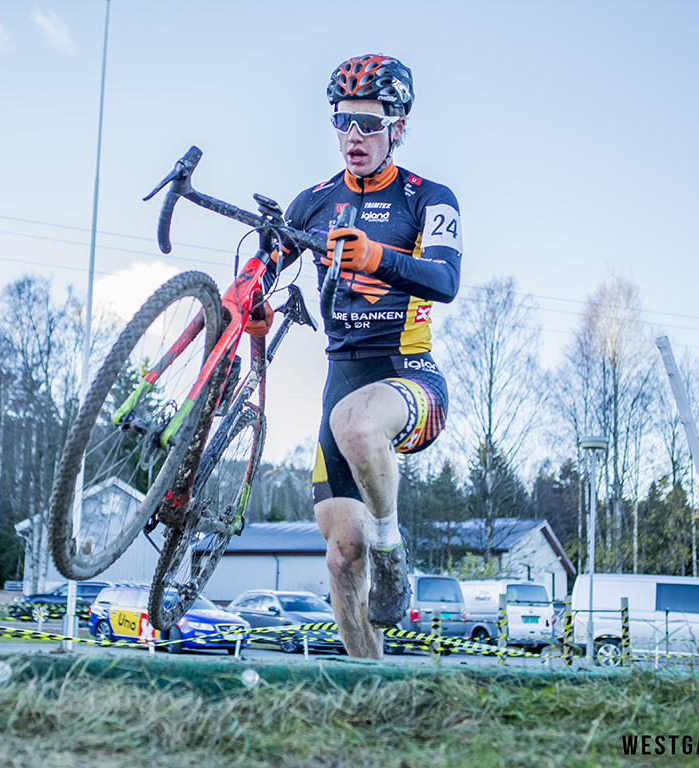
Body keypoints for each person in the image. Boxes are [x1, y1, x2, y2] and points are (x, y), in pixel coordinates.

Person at [246, 54, 462, 658]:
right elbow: (264, 268)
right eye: (343, 122)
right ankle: (371, 684)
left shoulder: (428, 198)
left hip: (408, 377)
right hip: (340, 380)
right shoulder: (314, 201)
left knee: (356, 423)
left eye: (369, 123)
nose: (353, 137)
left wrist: (375, 257)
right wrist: (253, 305)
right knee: (342, 554)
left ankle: (392, 551)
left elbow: (445, 279)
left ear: (398, 126)